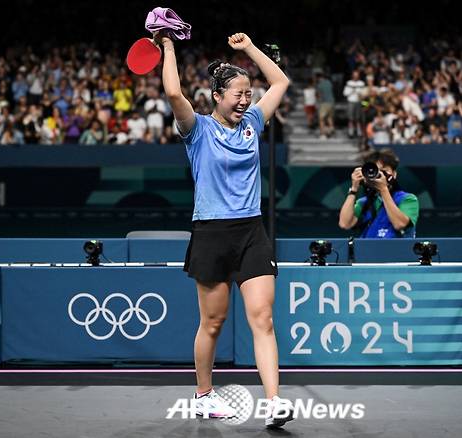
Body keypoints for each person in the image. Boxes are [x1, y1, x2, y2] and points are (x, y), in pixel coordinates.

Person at [158, 31, 294, 428]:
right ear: (216, 95)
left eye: (249, 93)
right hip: (211, 233)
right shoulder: (196, 130)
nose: (245, 100)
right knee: (213, 323)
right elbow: (172, 94)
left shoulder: (253, 122)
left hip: (251, 231)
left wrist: (249, 49)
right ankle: (203, 395)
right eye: (237, 93)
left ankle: (274, 402)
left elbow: (281, 81)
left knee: (262, 317)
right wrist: (168, 47)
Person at [338, 148, 419, 238]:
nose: (380, 174)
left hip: (396, 251)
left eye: (384, 170)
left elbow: (399, 224)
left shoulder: (408, 199)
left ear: (394, 174)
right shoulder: (364, 202)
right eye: (376, 170)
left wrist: (383, 189)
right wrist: (354, 189)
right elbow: (344, 224)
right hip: (368, 250)